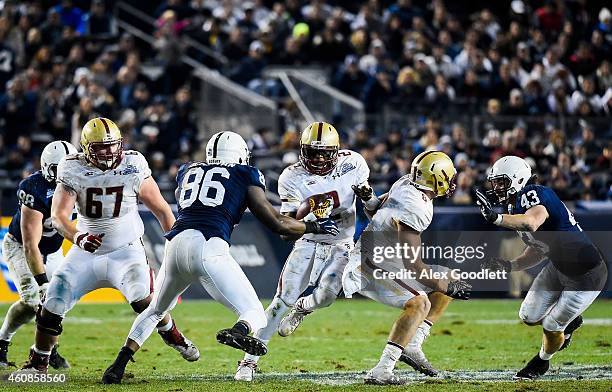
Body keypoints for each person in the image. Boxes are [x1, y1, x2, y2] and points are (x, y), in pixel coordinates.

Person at [101, 131, 339, 384]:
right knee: (255, 313)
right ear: (239, 155)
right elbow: (278, 223)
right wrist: (315, 227)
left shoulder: (187, 170)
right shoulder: (244, 173)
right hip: (208, 245)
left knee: (155, 310)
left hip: (175, 244)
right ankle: (238, 331)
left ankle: (118, 364)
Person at [17, 117, 199, 374]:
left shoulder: (133, 164)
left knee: (144, 301)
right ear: (86, 148)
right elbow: (59, 216)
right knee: (53, 303)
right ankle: (39, 363)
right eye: (101, 147)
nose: (109, 152)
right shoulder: (71, 168)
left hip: (126, 250)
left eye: (113, 145)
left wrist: (178, 246)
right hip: (85, 252)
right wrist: (78, 237)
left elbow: (162, 211)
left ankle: (173, 335)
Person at [235, 122, 369, 381]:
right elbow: (287, 228)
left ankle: (304, 307)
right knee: (281, 300)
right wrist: (310, 217)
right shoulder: (291, 176)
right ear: (301, 150)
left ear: (337, 151)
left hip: (341, 243)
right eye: (312, 152)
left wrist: (369, 197)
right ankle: (249, 361)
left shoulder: (354, 164)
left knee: (328, 296)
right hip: (308, 240)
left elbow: (368, 202)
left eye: (324, 152)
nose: (318, 158)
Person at [342, 151, 471, 384]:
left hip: (387, 257)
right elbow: (415, 267)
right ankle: (383, 369)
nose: (452, 182)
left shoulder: (405, 182)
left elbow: (373, 212)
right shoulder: (417, 207)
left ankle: (413, 344)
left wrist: (445, 283)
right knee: (420, 301)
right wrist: (448, 288)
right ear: (438, 178)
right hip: (370, 262)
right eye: (449, 177)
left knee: (449, 277)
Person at [475, 155, 607, 380]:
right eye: (494, 182)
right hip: (557, 268)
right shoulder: (514, 203)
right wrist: (510, 265)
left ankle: (542, 361)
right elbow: (538, 248)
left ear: (517, 179)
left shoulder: (534, 193)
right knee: (527, 315)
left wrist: (496, 218)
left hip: (586, 275)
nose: (496, 187)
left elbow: (531, 222)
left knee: (551, 325)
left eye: (501, 182)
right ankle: (571, 322)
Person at [0, 141, 77, 369]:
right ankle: (2, 340)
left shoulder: (80, 183)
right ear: (47, 168)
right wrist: (42, 282)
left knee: (58, 302)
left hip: (53, 251)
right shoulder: (35, 188)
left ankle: (46, 349)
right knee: (32, 299)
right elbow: (30, 245)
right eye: (59, 170)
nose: (65, 176)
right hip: (21, 247)